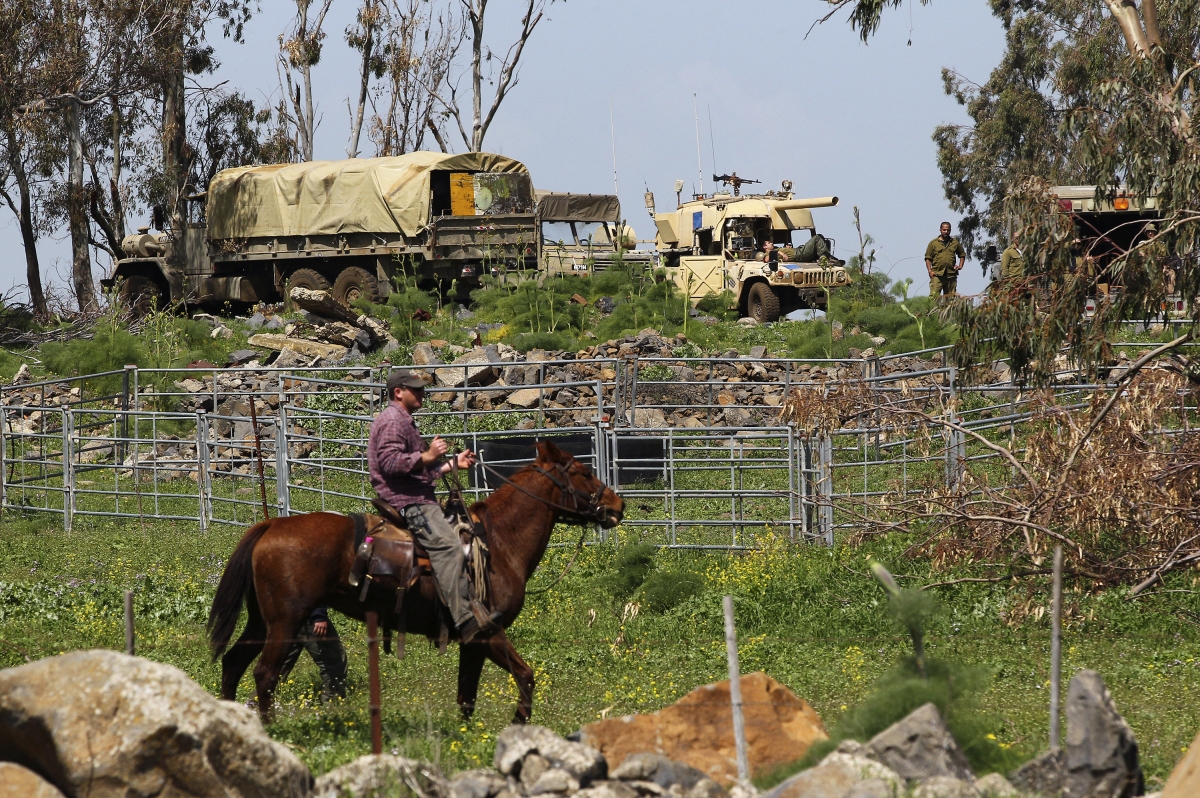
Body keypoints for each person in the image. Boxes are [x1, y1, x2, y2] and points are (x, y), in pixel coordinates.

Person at [368, 369, 502, 644]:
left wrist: (450, 465)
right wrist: (427, 454)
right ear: (398, 392)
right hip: (409, 502)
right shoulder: (393, 420)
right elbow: (391, 464)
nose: (421, 393)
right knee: (449, 547)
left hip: (415, 494)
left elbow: (416, 472)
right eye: (415, 389)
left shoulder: (404, 420)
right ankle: (464, 620)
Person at [278, 605, 347, 703]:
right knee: (334, 660)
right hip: (308, 614)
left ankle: (256, 703)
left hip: (284, 613)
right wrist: (318, 615)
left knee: (278, 663)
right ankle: (332, 705)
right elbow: (311, 590)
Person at [924, 222, 966, 297]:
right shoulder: (933, 243)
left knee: (950, 299)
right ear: (940, 230)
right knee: (934, 298)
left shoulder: (955, 243)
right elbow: (928, 258)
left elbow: (962, 254)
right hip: (937, 275)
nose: (946, 232)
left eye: (948, 230)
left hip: (951, 275)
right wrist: (930, 271)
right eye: (944, 230)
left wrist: (960, 266)